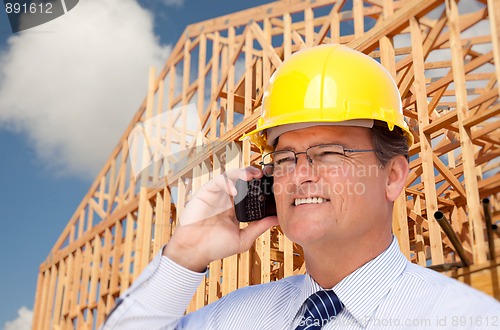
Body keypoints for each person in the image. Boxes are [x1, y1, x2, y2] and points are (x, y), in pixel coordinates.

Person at [102, 44, 500, 330]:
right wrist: (185, 254)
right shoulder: (235, 318)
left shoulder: (470, 320)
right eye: (285, 158)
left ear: (393, 176)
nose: (299, 174)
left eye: (328, 153)